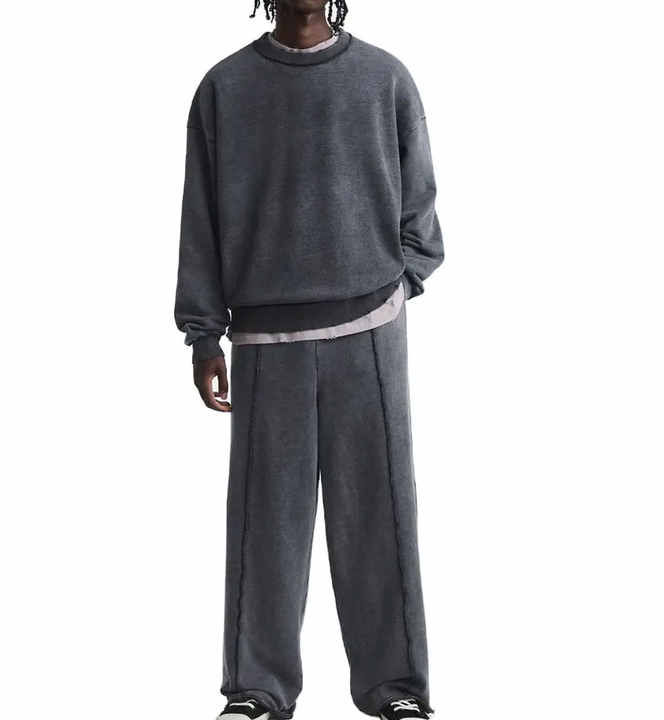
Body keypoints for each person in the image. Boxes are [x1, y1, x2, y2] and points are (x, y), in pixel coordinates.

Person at [174, 2, 444, 719]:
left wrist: (398, 286)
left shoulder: (385, 78)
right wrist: (203, 334)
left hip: (368, 329)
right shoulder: (225, 87)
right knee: (265, 526)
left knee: (380, 516)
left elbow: (421, 210)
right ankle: (256, 691)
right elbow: (200, 219)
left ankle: (397, 690)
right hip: (266, 340)